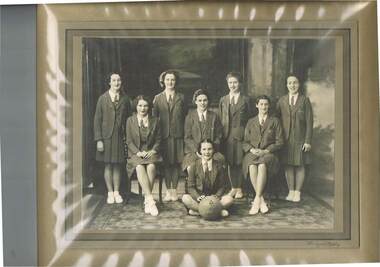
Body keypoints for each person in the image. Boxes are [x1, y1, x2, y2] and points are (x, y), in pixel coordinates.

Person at [93, 72, 132, 204]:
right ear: (109, 82)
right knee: (108, 165)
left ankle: (117, 192)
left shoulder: (125, 99)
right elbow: (97, 120)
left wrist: (128, 137)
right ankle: (110, 193)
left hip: (120, 137)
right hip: (106, 138)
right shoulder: (102, 98)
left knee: (118, 165)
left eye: (119, 80)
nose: (117, 83)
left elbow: (129, 120)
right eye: (114, 80)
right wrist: (99, 140)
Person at [242, 95, 284, 214]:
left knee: (261, 165)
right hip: (253, 153)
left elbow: (280, 142)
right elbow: (245, 142)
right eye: (261, 104)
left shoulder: (275, 121)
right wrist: (251, 150)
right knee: (251, 165)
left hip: (269, 154)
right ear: (257, 105)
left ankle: (256, 200)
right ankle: (261, 200)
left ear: (269, 106)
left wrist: (266, 151)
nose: (264, 107)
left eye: (266, 104)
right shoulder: (251, 122)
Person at [276, 75, 313, 202]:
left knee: (300, 165)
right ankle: (291, 191)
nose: (292, 85)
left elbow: (309, 122)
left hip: (300, 139)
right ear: (287, 85)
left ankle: (298, 192)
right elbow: (276, 120)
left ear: (299, 84)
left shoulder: (304, 100)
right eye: (290, 83)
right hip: (285, 139)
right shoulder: (282, 101)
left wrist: (307, 141)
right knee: (288, 165)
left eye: (295, 83)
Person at [126, 95, 163, 216]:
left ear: (149, 107)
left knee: (151, 166)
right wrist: (137, 152)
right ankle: (150, 199)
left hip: (150, 152)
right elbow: (129, 141)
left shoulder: (155, 120)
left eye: (145, 105)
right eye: (140, 105)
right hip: (136, 152)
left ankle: (147, 199)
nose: (143, 108)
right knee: (139, 167)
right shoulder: (130, 120)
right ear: (136, 107)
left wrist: (153, 150)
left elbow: (158, 139)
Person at [152, 70, 185, 202]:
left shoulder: (181, 97)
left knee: (176, 163)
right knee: (166, 164)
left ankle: (174, 190)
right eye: (167, 80)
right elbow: (154, 119)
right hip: (163, 136)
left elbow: (184, 115)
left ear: (175, 81)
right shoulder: (157, 98)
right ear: (163, 81)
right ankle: (167, 191)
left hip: (177, 135)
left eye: (172, 80)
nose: (170, 82)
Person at [219, 72, 253, 199]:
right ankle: (233, 187)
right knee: (230, 162)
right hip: (227, 135)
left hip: (241, 136)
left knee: (239, 162)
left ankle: (240, 188)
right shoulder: (223, 99)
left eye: (235, 82)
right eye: (230, 83)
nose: (232, 85)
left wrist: (246, 134)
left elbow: (251, 119)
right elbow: (222, 117)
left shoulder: (246, 100)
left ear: (240, 84)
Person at [182, 139, 233, 217]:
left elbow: (223, 186)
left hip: (214, 199)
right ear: (200, 151)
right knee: (185, 198)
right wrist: (198, 197)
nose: (207, 152)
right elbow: (190, 187)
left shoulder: (219, 166)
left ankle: (200, 212)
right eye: (204, 149)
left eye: (209, 149)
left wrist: (217, 196)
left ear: (213, 150)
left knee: (229, 199)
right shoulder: (193, 166)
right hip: (200, 199)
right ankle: (216, 211)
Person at [182, 89, 224, 173]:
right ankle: (194, 185)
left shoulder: (214, 116)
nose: (202, 103)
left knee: (218, 163)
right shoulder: (190, 117)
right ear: (195, 102)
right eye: (200, 100)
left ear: (208, 101)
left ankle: (213, 185)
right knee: (191, 167)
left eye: (205, 100)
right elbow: (187, 137)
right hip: (194, 152)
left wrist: (210, 150)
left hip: (212, 151)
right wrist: (198, 151)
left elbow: (219, 135)